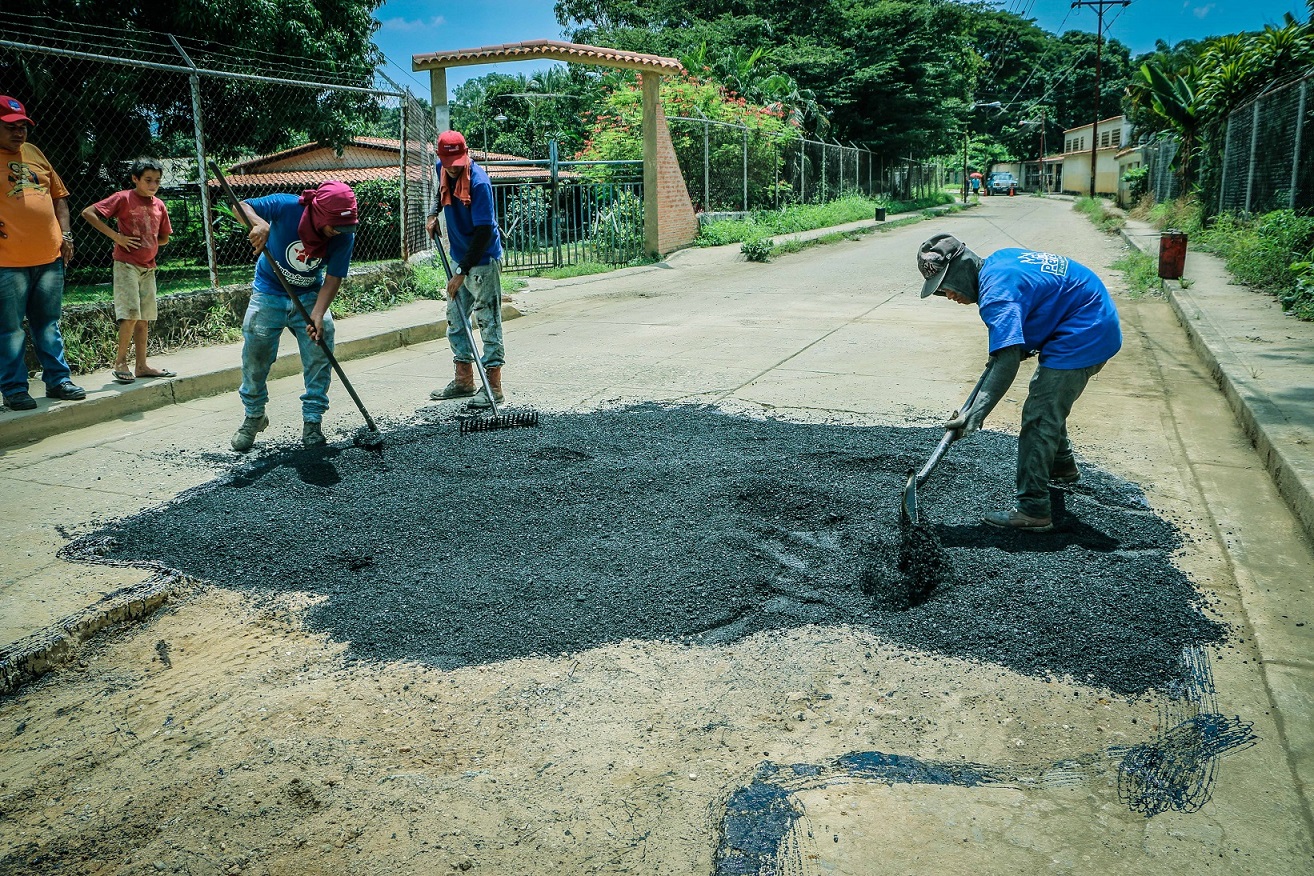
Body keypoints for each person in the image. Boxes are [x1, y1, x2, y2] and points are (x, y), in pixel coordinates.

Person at [916, 232, 1121, 532]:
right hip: (1084, 316)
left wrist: (975, 415)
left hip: (1086, 329)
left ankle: (1033, 509)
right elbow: (1024, 320)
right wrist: (1005, 353)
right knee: (1047, 399)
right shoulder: (998, 263)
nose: (948, 296)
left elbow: (1008, 360)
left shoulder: (996, 294)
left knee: (1040, 414)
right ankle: (1061, 467)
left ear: (961, 268)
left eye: (945, 287)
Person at [230, 181, 358, 452]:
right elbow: (239, 205)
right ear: (319, 214)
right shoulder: (288, 206)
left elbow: (334, 276)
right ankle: (254, 415)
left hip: (310, 293)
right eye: (334, 226)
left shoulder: (343, 232)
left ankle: (312, 420)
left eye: (343, 228)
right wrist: (258, 223)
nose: (338, 232)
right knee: (255, 353)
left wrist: (318, 314)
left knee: (321, 347)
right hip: (269, 290)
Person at [0, 95, 86, 410]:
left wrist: (66, 235)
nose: (19, 133)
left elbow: (59, 197)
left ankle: (58, 381)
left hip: (49, 258)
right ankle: (14, 389)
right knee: (9, 330)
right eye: (10, 127)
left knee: (48, 324)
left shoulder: (34, 153)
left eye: (22, 126)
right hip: (6, 263)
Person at [425, 130, 505, 409]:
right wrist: (432, 214)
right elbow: (437, 191)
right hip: (459, 256)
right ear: (441, 158)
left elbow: (484, 232)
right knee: (456, 321)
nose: (454, 167)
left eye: (458, 161)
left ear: (465, 154)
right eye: (449, 162)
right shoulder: (441, 169)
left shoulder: (479, 183)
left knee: (487, 322)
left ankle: (493, 386)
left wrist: (461, 272)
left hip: (481, 261)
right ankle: (464, 380)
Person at [81, 157, 175, 384]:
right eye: (148, 180)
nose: (153, 185)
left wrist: (148, 242)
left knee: (144, 318)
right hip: (126, 265)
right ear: (135, 179)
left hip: (148, 268)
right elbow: (88, 213)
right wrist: (117, 237)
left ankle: (141, 365)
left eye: (157, 181)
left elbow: (163, 237)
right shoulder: (123, 198)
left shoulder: (159, 204)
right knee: (130, 314)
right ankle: (120, 362)